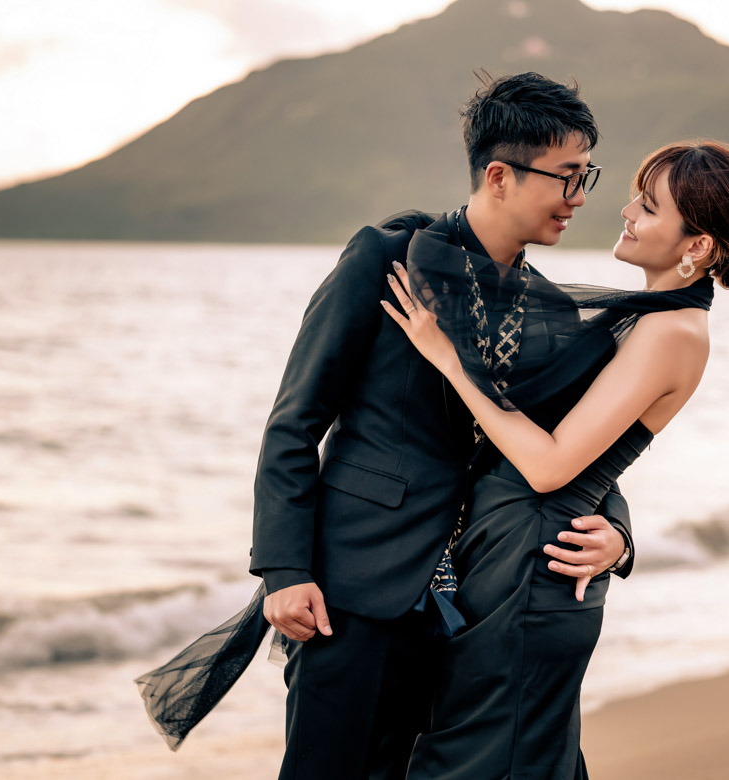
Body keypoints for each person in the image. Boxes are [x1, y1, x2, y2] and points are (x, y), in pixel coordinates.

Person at [135, 73, 637, 778]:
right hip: (356, 587)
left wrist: (617, 535)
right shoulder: (385, 258)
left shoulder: (552, 311)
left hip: (482, 599)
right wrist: (285, 570)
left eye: (587, 176)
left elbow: (575, 447)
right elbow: (295, 420)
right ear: (500, 175)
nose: (580, 197)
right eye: (567, 177)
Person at [382, 139, 729, 779]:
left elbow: (552, 466)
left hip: (533, 566)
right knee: (502, 756)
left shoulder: (672, 332)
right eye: (637, 198)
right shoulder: (654, 317)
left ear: (697, 245)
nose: (626, 211)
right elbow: (595, 453)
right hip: (517, 550)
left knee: (485, 762)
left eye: (648, 207)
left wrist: (450, 360)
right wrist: (618, 534)